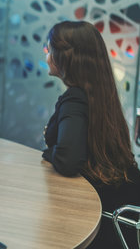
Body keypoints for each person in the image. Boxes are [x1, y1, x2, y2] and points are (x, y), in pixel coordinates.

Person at [42, 20, 140, 248]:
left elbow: (68, 161)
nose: (47, 56)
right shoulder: (101, 94)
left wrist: (49, 153)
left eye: (50, 50)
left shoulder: (75, 99)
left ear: (66, 57)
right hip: (120, 213)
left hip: (96, 220)